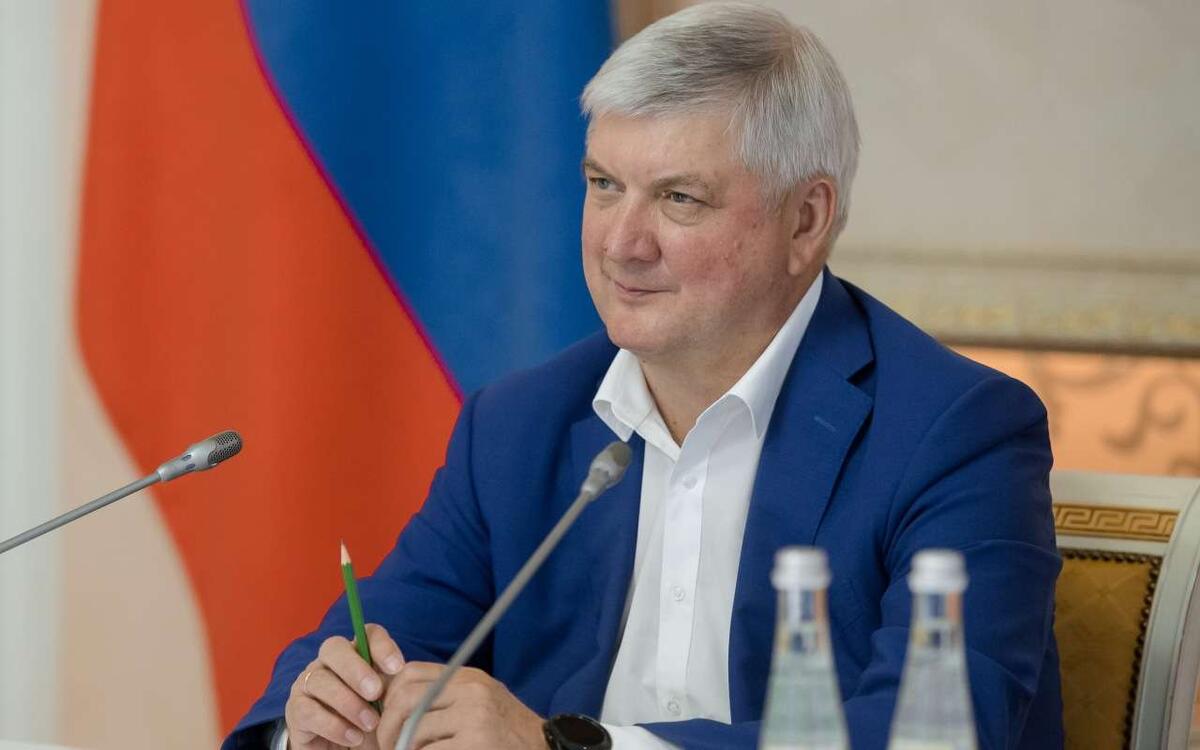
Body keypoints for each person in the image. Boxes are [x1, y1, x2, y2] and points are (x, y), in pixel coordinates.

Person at [225, 3, 1063, 748]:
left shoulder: (956, 432)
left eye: (678, 199)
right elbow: (381, 636)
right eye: (603, 185)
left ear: (806, 222)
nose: (621, 244)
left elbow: (934, 731)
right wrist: (317, 719)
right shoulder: (518, 428)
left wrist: (567, 748)